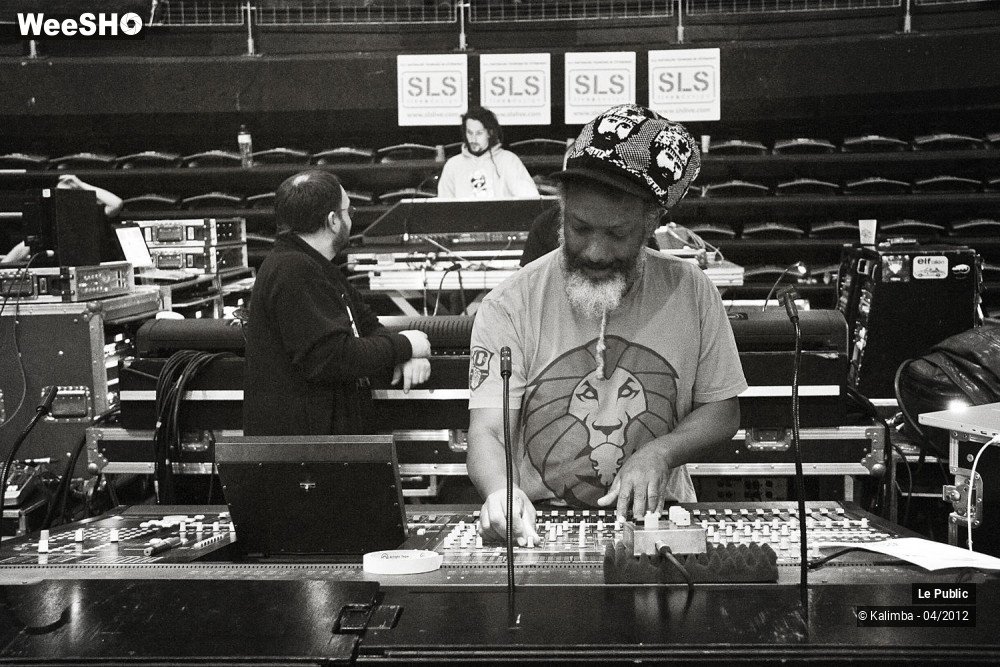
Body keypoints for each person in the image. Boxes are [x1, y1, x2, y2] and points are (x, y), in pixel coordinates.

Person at [467, 104, 747, 545]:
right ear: (561, 211)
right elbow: (487, 430)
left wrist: (661, 452)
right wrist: (502, 492)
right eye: (579, 228)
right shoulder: (508, 304)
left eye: (616, 234)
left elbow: (722, 411)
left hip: (659, 521)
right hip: (539, 523)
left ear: (651, 222)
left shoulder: (693, 291)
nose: (595, 251)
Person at [243, 170, 432, 436]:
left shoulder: (316, 264)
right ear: (333, 220)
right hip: (302, 450)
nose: (350, 217)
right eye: (348, 210)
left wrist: (402, 355)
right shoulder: (293, 269)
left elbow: (367, 325)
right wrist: (407, 345)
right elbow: (332, 357)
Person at [1, 174, 123, 264]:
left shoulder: (93, 213)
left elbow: (116, 203)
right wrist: (3, 266)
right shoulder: (52, 219)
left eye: (65, 194)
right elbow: (25, 246)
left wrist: (81, 184)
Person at [437, 106, 540, 199]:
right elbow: (443, 206)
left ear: (490, 133)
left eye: (479, 133)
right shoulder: (453, 165)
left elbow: (529, 199)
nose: (473, 139)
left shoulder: (508, 161)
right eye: (469, 132)